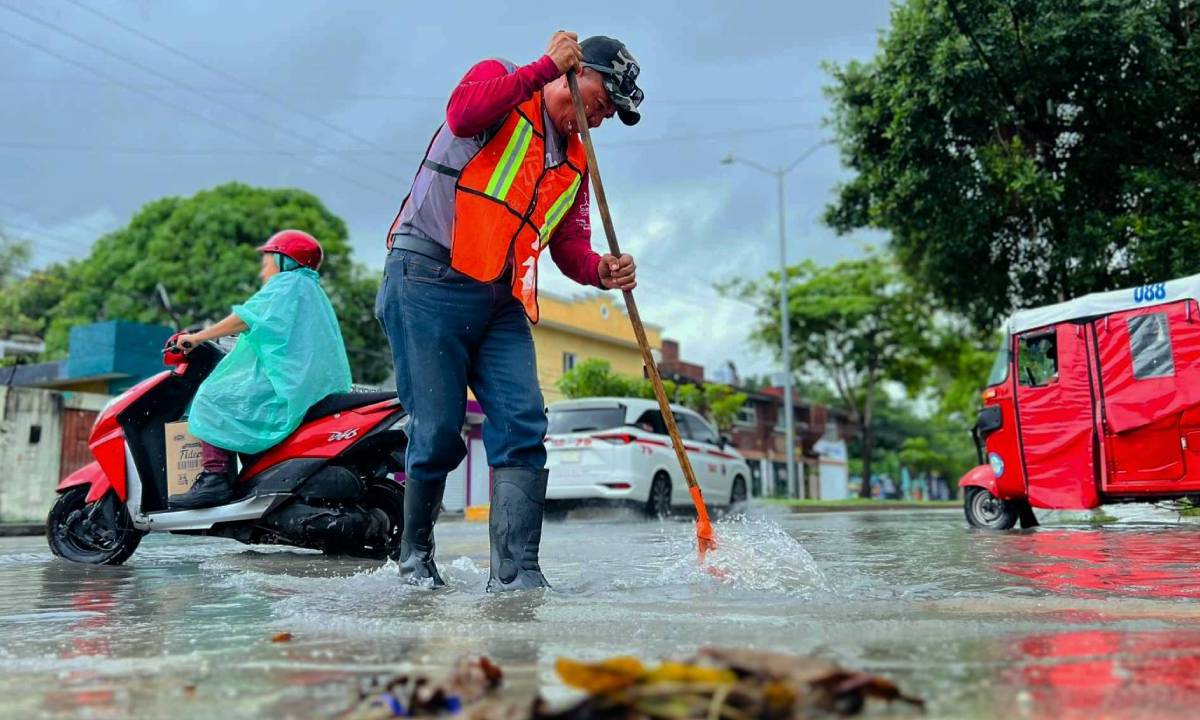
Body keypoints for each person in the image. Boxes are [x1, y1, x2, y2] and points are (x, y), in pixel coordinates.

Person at [377, 32, 643, 591]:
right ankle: (414, 559)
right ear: (575, 71)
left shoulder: (576, 165)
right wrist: (542, 66)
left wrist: (600, 270)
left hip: (500, 301)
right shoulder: (501, 80)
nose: (600, 120)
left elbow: (569, 245)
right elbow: (462, 112)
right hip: (426, 277)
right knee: (439, 434)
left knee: (523, 423)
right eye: (601, 102)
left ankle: (518, 573)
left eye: (612, 115)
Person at [168, 230, 353, 510]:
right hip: (307, 383)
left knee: (211, 397)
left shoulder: (287, 285)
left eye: (268, 259)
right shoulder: (310, 291)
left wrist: (197, 337)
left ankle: (215, 478)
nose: (263, 268)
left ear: (285, 260)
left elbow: (245, 319)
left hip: (287, 384)